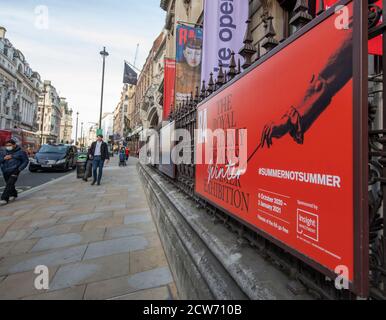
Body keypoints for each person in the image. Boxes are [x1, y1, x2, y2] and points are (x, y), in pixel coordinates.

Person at [0, 139, 29, 205]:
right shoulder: (3, 152)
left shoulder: (21, 152)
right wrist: (4, 158)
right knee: (9, 184)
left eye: (9, 145)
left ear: (14, 145)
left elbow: (25, 161)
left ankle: (4, 199)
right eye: (6, 145)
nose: (8, 147)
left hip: (15, 171)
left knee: (9, 184)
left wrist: (19, 169)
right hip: (5, 170)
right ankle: (14, 194)